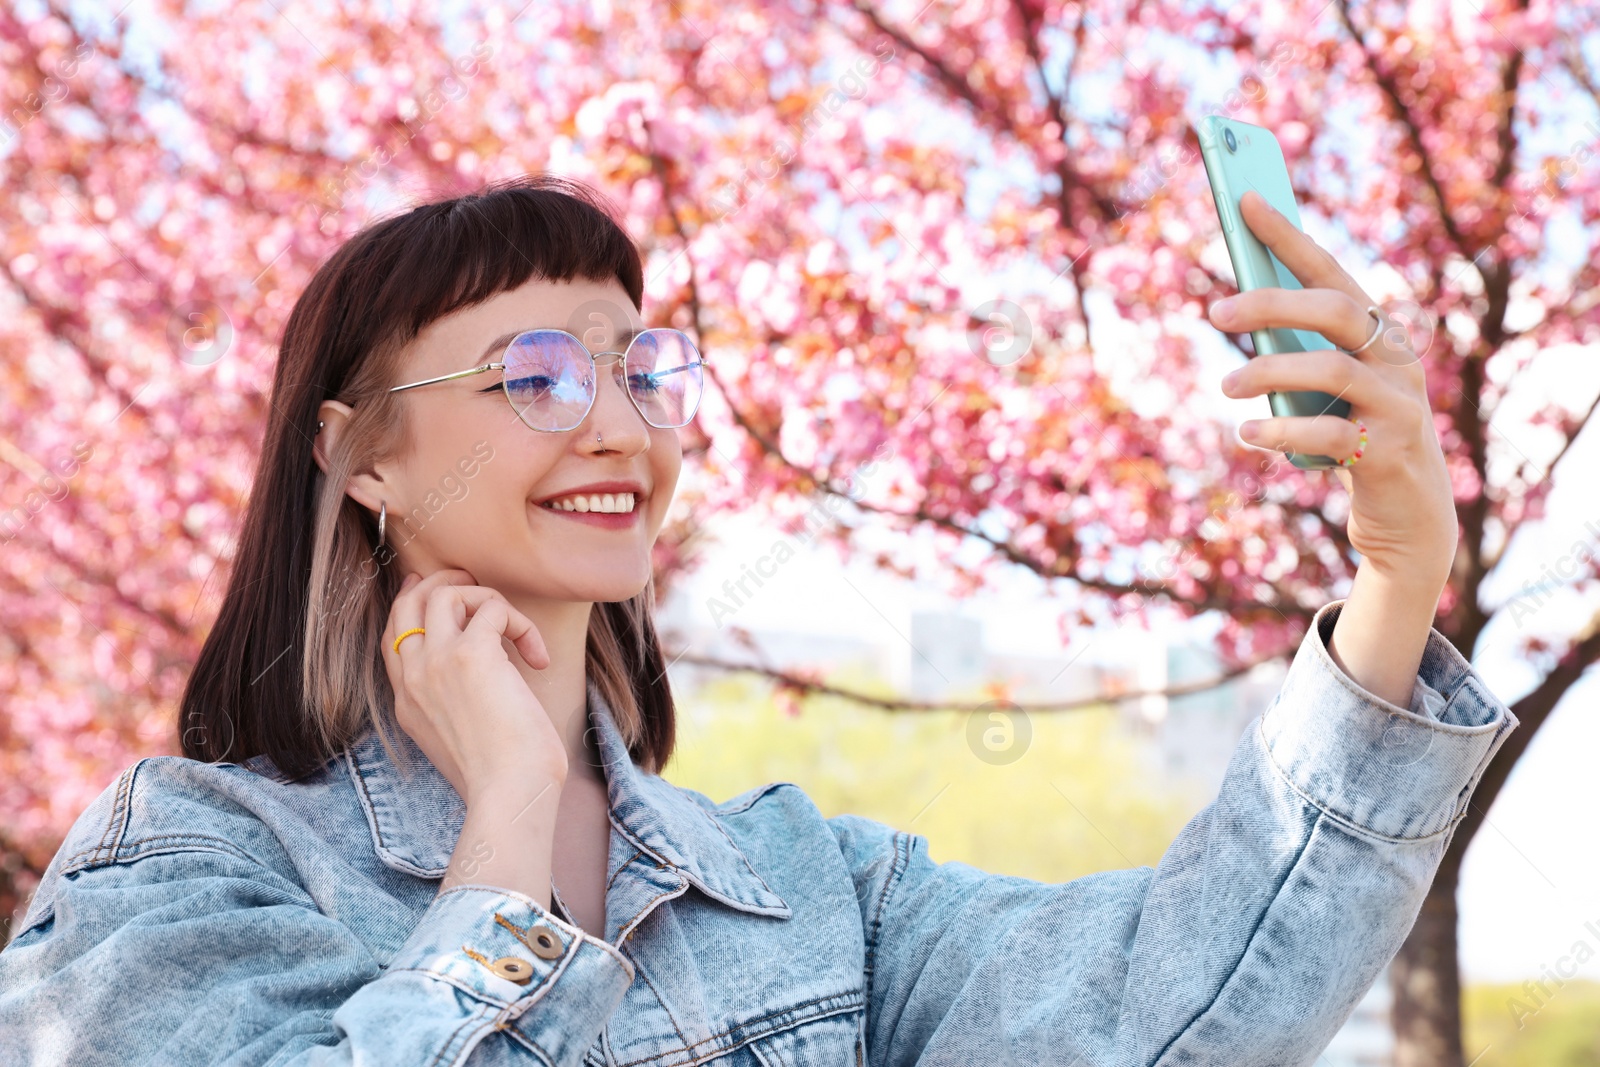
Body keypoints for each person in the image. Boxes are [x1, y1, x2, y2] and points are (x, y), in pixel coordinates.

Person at [0, 175, 1515, 1066]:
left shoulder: (806, 886)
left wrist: (1394, 586)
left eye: (640, 367)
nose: (620, 431)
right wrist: (510, 822)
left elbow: (1173, 1011)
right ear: (364, 457)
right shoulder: (186, 863)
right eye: (535, 376)